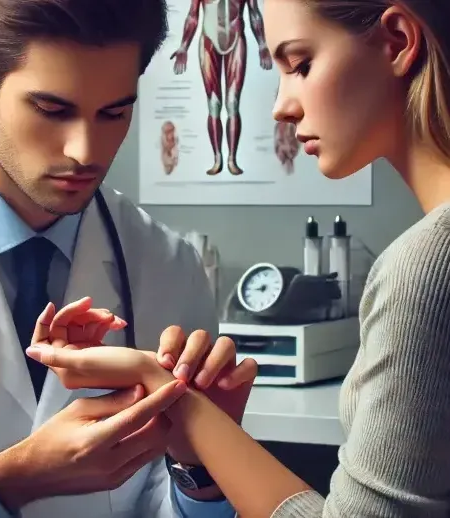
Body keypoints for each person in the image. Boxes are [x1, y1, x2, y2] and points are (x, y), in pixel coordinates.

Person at [27, 0, 450, 516]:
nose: (281, 106)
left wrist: (165, 388)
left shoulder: (426, 267)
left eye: (300, 65)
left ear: (397, 43)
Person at [0, 0, 258, 517]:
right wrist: (10, 481)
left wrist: (202, 468)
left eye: (115, 112)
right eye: (52, 109)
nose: (85, 151)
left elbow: (161, 500)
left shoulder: (168, 265)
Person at [170, 0, 272, 175]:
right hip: (209, 41)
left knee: (232, 103)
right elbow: (193, 15)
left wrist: (262, 44)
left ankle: (232, 159)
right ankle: (217, 158)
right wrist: (183, 46)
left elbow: (254, 13)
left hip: (236, 40)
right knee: (214, 104)